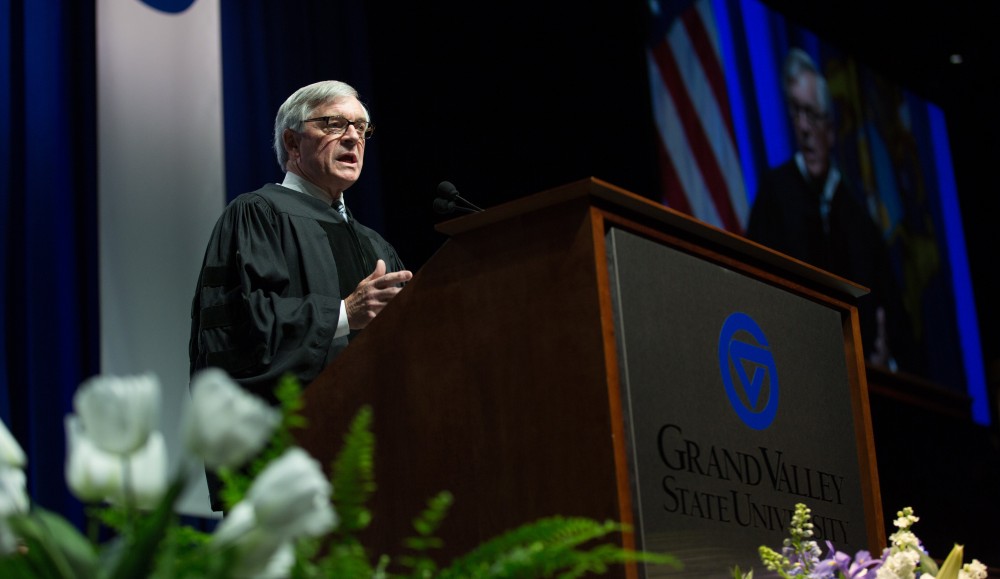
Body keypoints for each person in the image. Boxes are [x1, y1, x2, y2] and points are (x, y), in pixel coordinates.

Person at [189, 80, 413, 405]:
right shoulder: (258, 214)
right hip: (285, 438)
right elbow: (242, 330)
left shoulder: (375, 245)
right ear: (293, 143)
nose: (352, 136)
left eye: (361, 128)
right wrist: (343, 313)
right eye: (333, 124)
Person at [745, 48, 914, 372]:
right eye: (796, 113)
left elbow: (894, 320)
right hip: (791, 370)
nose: (804, 128)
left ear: (832, 130)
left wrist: (884, 364)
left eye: (812, 114)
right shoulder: (774, 194)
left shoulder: (860, 221)